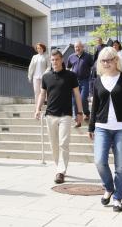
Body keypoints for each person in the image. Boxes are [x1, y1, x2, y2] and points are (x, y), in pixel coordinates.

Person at [88, 47, 122, 212]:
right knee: (99, 161)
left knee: (121, 166)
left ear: (116, 60)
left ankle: (118, 198)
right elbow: (95, 106)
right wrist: (91, 126)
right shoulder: (97, 81)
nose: (106, 63)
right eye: (103, 60)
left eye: (109, 59)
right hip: (102, 127)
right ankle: (109, 187)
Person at [34, 50, 83, 184]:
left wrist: (80, 112)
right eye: (52, 60)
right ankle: (58, 167)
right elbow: (42, 94)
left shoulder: (70, 75)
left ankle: (61, 171)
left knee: (63, 143)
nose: (54, 62)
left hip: (66, 115)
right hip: (50, 115)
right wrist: (38, 109)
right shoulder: (46, 76)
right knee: (54, 145)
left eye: (57, 59)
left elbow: (77, 95)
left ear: (62, 60)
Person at [67, 41, 94, 125]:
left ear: (82, 47)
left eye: (79, 47)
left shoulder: (88, 56)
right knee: (74, 100)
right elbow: (68, 68)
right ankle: (77, 120)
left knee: (82, 99)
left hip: (85, 81)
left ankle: (86, 113)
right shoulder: (71, 57)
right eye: (75, 47)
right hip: (74, 82)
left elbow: (93, 67)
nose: (77, 48)